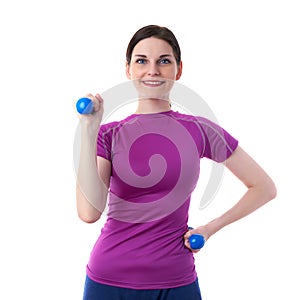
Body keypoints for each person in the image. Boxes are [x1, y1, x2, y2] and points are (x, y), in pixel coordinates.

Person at [76, 25, 276, 300]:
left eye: (164, 61)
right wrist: (89, 128)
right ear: (128, 70)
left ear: (178, 70)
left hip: (176, 280)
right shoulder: (108, 134)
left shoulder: (200, 130)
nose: (153, 70)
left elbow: (264, 187)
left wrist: (209, 229)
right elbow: (89, 212)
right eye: (142, 61)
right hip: (109, 280)